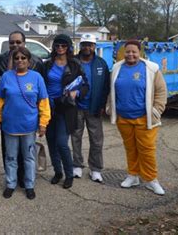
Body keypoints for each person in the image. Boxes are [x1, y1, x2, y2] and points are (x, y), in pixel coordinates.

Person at [107, 40, 167, 195]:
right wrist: (110, 107)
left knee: (147, 150)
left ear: (140, 52)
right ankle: (133, 175)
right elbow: (111, 90)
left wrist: (156, 110)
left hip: (144, 117)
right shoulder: (116, 68)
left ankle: (151, 180)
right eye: (128, 51)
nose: (131, 54)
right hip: (123, 117)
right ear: (123, 52)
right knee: (130, 148)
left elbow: (161, 92)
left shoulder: (151, 69)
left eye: (134, 51)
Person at [0, 47, 51, 199]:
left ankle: (29, 185)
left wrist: (43, 123)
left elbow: (44, 102)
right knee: (11, 157)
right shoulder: (6, 77)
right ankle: (11, 184)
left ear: (29, 61)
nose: (20, 61)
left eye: (23, 58)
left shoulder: (37, 77)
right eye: (17, 58)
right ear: (13, 60)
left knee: (29, 157)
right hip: (10, 126)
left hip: (29, 125)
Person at [42, 34, 88, 189]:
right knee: (51, 143)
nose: (60, 48)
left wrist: (78, 93)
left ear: (69, 47)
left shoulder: (75, 65)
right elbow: (40, 83)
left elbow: (85, 85)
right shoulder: (47, 64)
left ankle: (69, 174)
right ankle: (57, 172)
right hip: (48, 107)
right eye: (57, 46)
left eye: (63, 45)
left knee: (62, 143)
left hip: (66, 108)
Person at [71, 33, 110, 182]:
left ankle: (95, 168)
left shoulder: (101, 63)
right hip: (76, 107)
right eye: (85, 44)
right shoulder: (73, 61)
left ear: (94, 46)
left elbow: (105, 86)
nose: (87, 47)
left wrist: (102, 104)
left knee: (96, 139)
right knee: (76, 137)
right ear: (80, 46)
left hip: (94, 108)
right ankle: (77, 165)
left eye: (90, 44)